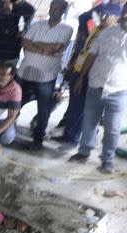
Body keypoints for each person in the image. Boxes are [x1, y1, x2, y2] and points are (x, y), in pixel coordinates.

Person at [68, 4, 127, 174]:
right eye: (124, 11)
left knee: (113, 128)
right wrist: (81, 78)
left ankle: (107, 160)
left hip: (119, 90)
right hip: (95, 85)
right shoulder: (106, 33)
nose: (125, 15)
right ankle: (83, 152)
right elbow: (91, 55)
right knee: (89, 122)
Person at [55, 3, 122, 147]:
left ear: (116, 18)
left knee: (83, 110)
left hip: (91, 75)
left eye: (107, 15)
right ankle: (70, 136)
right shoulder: (96, 28)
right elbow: (85, 48)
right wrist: (74, 64)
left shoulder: (113, 37)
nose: (103, 17)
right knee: (75, 107)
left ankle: (75, 139)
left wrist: (82, 76)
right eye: (102, 14)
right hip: (79, 69)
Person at [16, 0, 72, 150]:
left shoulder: (67, 29)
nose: (54, 11)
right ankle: (7, 130)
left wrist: (35, 45)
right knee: (15, 104)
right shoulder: (36, 25)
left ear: (63, 11)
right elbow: (24, 43)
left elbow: (55, 48)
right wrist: (43, 50)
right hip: (25, 73)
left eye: (58, 9)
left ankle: (38, 138)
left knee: (43, 109)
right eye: (52, 7)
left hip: (46, 77)